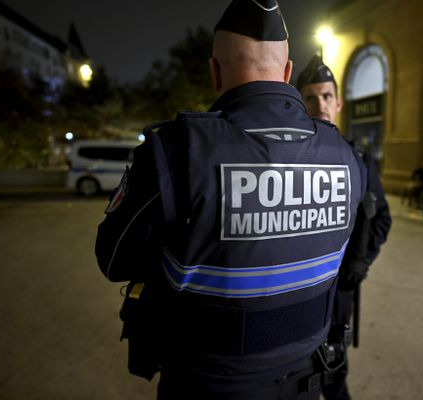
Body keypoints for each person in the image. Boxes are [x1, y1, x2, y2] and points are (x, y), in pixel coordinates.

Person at [95, 1, 366, 399]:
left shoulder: (176, 151)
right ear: (288, 72)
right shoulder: (344, 155)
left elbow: (114, 259)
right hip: (307, 381)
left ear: (214, 72)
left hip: (206, 385)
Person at [296, 55, 392, 400]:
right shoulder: (288, 158)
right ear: (300, 103)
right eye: (310, 97)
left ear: (337, 102)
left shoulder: (359, 159)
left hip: (339, 293)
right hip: (299, 291)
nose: (319, 104)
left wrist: (362, 261)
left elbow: (382, 217)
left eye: (325, 96)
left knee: (334, 373)